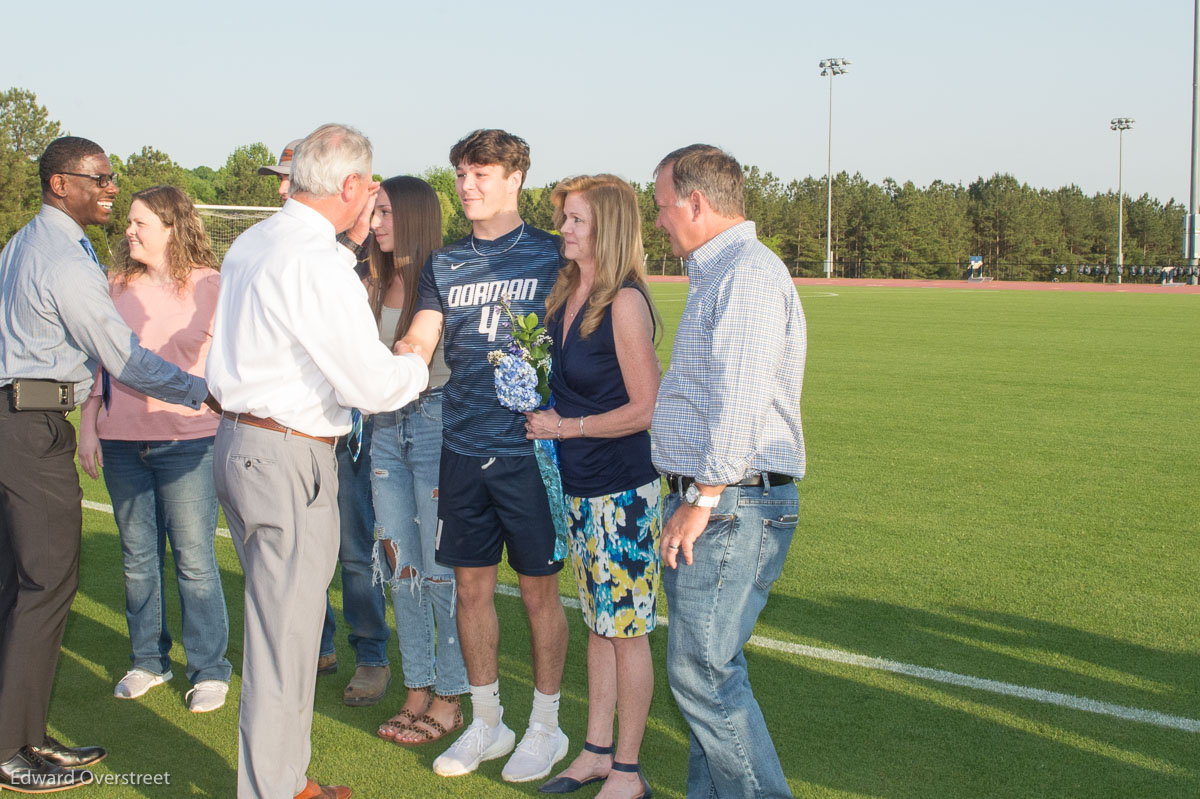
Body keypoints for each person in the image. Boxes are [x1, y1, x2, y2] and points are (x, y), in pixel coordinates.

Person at [206, 123, 428, 799]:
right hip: (286, 455)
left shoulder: (256, 240)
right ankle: (273, 788)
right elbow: (369, 383)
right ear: (353, 185)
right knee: (285, 640)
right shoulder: (317, 260)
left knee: (287, 632)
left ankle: (283, 778)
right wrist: (417, 351)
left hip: (244, 445)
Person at [0, 136, 213, 793]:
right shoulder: (60, 257)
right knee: (44, 585)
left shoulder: (26, 243)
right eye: (100, 178)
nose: (111, 188)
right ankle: (11, 750)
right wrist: (196, 389)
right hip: (29, 426)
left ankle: (24, 735)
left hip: (23, 421)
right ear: (61, 184)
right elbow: (121, 355)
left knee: (20, 584)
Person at [399, 129, 570, 783]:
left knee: (538, 593)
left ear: (515, 178)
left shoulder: (555, 255)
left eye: (481, 174)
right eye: (462, 174)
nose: (467, 186)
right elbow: (421, 336)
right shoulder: (445, 264)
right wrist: (400, 360)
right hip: (461, 447)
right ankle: (488, 720)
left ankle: (547, 728)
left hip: (532, 452)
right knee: (470, 589)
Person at [650, 144, 806, 799]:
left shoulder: (745, 274)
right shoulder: (722, 272)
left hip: (729, 502)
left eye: (661, 207)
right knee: (706, 671)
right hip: (724, 501)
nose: (658, 220)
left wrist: (703, 495)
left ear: (696, 203)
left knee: (702, 672)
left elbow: (740, 400)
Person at [523, 175, 662, 799]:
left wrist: (566, 426)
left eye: (576, 220)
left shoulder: (625, 302)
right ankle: (597, 752)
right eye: (565, 219)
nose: (565, 229)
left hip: (623, 491)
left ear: (605, 226)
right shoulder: (568, 291)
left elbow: (646, 409)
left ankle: (628, 773)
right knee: (600, 625)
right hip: (578, 487)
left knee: (625, 630)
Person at [76, 185, 232, 713]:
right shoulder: (113, 284)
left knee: (193, 558)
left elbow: (228, 360)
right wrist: (89, 422)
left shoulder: (212, 284)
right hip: (120, 440)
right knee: (138, 558)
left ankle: (210, 670)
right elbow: (100, 361)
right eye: (129, 222)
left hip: (189, 443)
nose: (129, 230)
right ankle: (148, 660)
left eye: (141, 222)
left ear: (172, 227)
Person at [261, 137, 389, 705]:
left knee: (355, 549)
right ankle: (316, 643)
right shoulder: (281, 250)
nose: (282, 189)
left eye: (290, 178)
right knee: (302, 557)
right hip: (299, 430)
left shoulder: (362, 252)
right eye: (280, 179)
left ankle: (371, 653)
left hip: (356, 430)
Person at [367, 177, 468, 747]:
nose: (376, 222)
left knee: (439, 567)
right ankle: (416, 686)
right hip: (384, 430)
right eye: (374, 212)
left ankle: (450, 695)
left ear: (414, 216)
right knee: (398, 564)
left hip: (436, 429)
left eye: (385, 212)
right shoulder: (373, 281)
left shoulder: (449, 277)